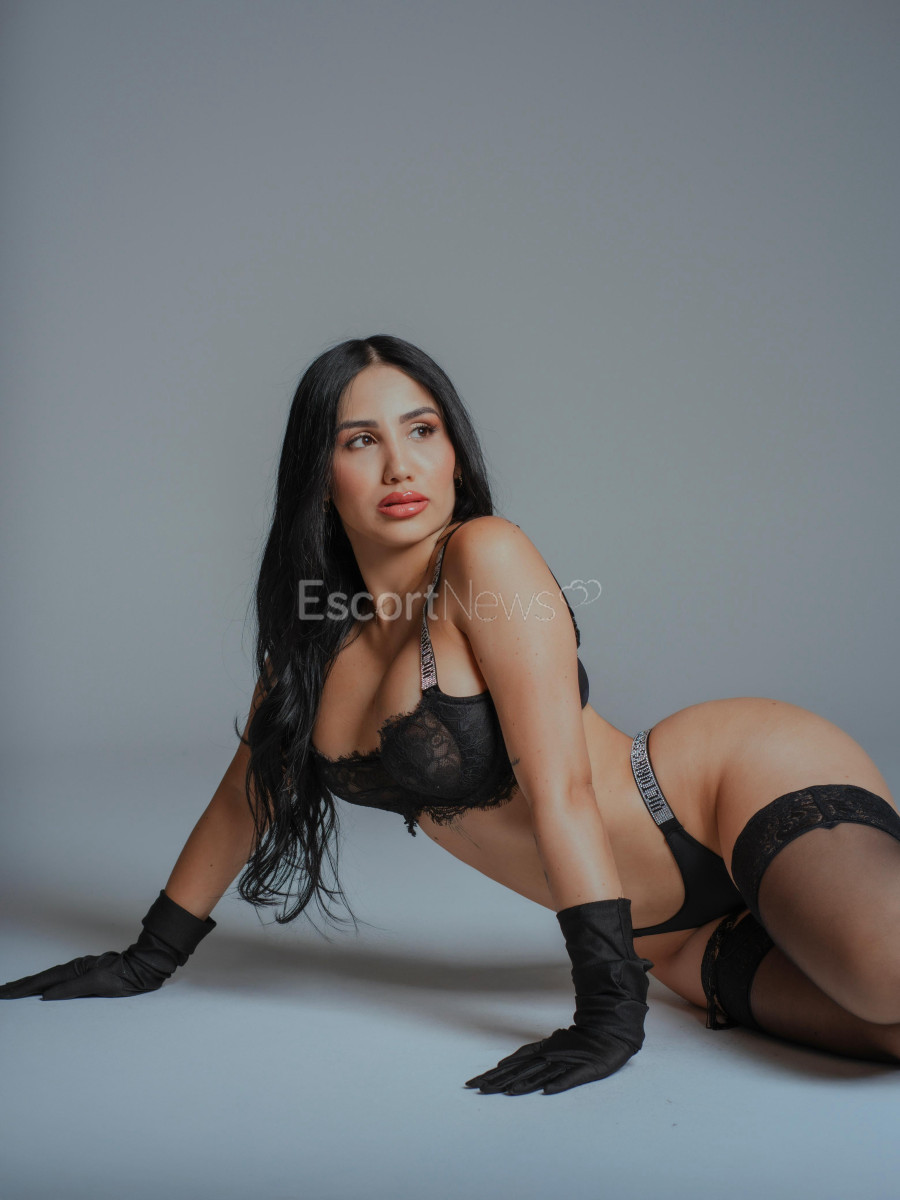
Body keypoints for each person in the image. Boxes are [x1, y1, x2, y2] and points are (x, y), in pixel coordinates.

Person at [3, 335, 899, 1094]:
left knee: (887, 977)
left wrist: (607, 1014)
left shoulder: (485, 557)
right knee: (885, 1036)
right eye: (360, 440)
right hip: (671, 940)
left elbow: (562, 790)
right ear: (319, 474)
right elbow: (247, 799)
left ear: (454, 453)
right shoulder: (311, 646)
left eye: (421, 430)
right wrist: (146, 960)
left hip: (717, 795)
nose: (399, 465)